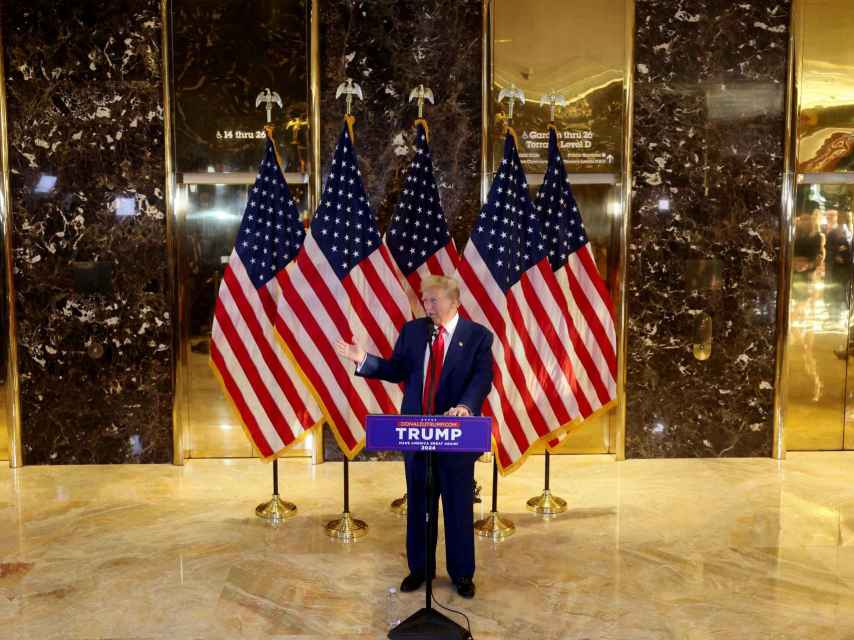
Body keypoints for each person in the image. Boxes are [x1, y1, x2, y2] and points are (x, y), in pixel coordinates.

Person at [334, 275, 494, 599]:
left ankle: (462, 574)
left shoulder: (477, 336)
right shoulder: (414, 331)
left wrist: (465, 405)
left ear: (454, 302)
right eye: (425, 299)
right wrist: (363, 359)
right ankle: (419, 569)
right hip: (417, 435)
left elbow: (482, 378)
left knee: (457, 507)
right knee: (420, 505)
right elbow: (397, 370)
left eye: (434, 300)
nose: (427, 305)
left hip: (456, 439)